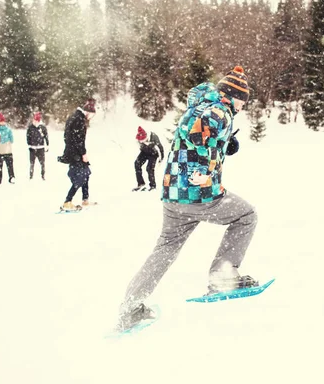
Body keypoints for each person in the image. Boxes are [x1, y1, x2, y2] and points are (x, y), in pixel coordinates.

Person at [115, 66, 258, 331]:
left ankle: (130, 308)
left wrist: (226, 145)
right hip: (199, 194)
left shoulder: (201, 106)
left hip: (173, 195)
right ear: (230, 95)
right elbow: (198, 136)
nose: (242, 105)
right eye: (242, 99)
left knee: (165, 248)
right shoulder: (219, 111)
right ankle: (222, 277)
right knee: (246, 215)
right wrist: (200, 172)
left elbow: (194, 135)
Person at [58, 98, 97, 211]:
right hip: (75, 153)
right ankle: (67, 201)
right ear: (88, 112)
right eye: (91, 115)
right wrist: (83, 154)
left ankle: (85, 199)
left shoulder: (75, 116)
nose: (90, 118)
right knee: (80, 177)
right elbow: (78, 140)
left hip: (72, 152)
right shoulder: (79, 120)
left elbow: (69, 137)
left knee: (86, 174)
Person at [132, 126, 164, 191]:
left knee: (149, 168)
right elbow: (140, 146)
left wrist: (161, 158)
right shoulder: (138, 138)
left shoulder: (154, 137)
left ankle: (153, 186)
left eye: (144, 141)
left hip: (153, 153)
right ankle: (141, 183)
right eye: (141, 141)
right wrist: (143, 146)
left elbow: (160, 148)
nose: (143, 142)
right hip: (144, 152)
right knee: (137, 163)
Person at [0, 112, 15, 185]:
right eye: (1, 121)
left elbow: (12, 140)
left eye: (3, 121)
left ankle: (11, 178)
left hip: (8, 151)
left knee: (10, 166)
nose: (2, 123)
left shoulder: (8, 130)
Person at [26, 111, 49, 180]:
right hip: (32, 148)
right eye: (34, 120)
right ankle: (31, 176)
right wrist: (29, 145)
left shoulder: (42, 127)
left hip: (41, 148)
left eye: (37, 120)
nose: (35, 121)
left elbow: (46, 137)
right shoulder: (30, 127)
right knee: (32, 163)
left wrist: (47, 145)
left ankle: (43, 175)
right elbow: (28, 137)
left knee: (42, 163)